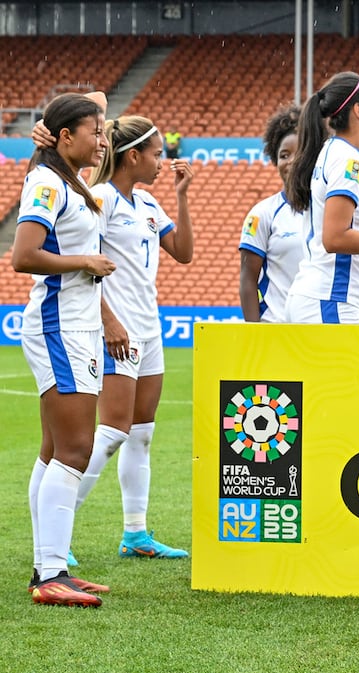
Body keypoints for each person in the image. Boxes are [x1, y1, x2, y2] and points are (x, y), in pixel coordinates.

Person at [58, 114, 193, 561]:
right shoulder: (100, 199)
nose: (162, 160)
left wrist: (181, 196)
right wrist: (110, 322)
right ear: (132, 155)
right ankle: (61, 526)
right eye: (156, 153)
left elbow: (185, 254)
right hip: (117, 330)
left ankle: (135, 534)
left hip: (149, 329)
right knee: (113, 431)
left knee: (142, 433)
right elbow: (80, 263)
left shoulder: (150, 203)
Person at [14, 93, 116, 606]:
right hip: (60, 328)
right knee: (76, 448)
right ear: (64, 137)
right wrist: (85, 261)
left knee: (56, 450)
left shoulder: (70, 181)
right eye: (93, 131)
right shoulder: (48, 181)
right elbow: (24, 255)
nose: (102, 141)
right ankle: (51, 575)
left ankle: (49, 566)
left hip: (75, 327)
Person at [283, 71, 359, 324]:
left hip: (323, 298)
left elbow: (349, 225)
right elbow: (335, 238)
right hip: (331, 299)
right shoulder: (349, 161)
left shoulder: (337, 153)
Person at [240, 105, 304, 323]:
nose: (291, 161)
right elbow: (248, 279)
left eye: (299, 153)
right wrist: (254, 335)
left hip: (319, 330)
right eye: (284, 155)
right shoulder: (263, 214)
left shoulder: (329, 211)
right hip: (276, 328)